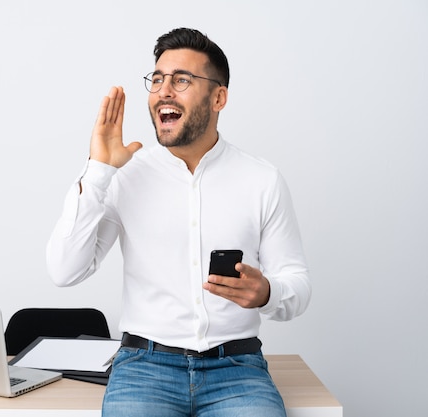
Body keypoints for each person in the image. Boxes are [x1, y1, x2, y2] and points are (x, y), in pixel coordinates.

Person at [46, 27, 311, 417]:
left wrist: (267, 292)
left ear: (218, 97)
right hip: (144, 369)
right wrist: (99, 169)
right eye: (157, 79)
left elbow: (298, 284)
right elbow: (64, 271)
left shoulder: (261, 179)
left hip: (237, 371)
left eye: (181, 80)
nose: (164, 91)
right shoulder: (124, 176)